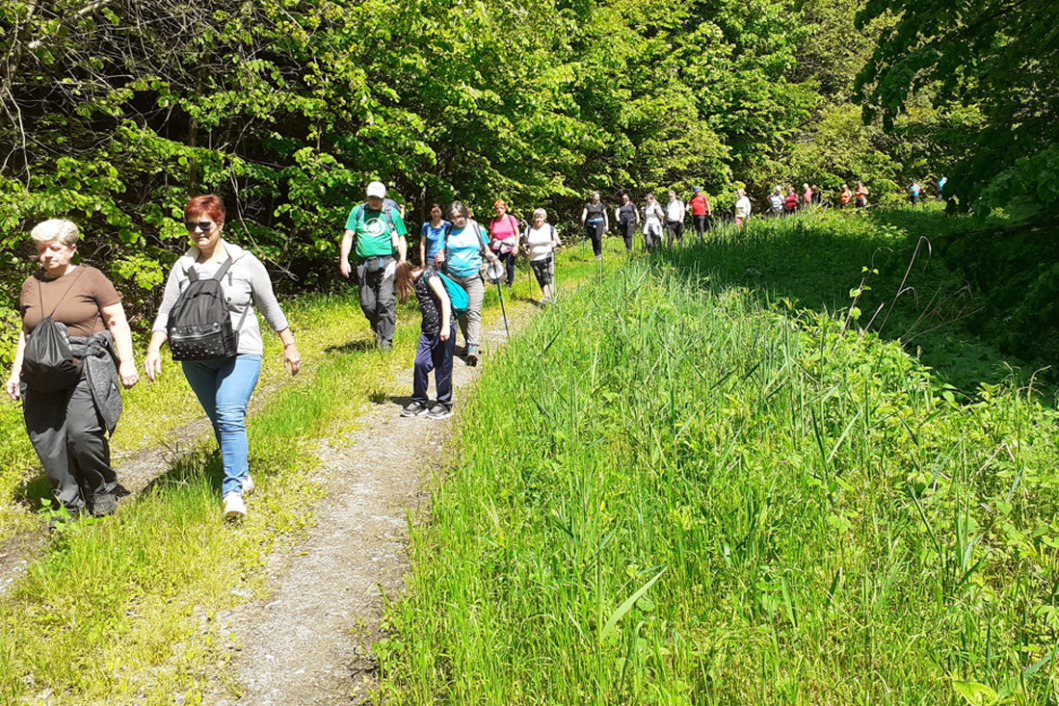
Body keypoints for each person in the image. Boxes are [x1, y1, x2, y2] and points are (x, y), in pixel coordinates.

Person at [144, 195, 301, 519]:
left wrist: (288, 343)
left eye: (204, 224)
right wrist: (153, 348)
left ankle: (232, 492)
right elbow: (166, 312)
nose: (198, 231)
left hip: (241, 351)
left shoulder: (245, 262)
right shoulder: (183, 267)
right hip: (195, 355)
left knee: (230, 412)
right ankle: (241, 472)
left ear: (220, 223)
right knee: (220, 419)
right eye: (191, 226)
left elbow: (268, 305)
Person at [5, 219, 138, 526]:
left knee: (81, 433)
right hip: (39, 373)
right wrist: (15, 374)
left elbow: (117, 321)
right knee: (47, 439)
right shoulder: (31, 285)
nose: (47, 255)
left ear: (72, 248)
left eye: (54, 248)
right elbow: (27, 336)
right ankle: (68, 499)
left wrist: (127, 361)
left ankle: (102, 487)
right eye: (41, 250)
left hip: (85, 365)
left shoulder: (91, 278)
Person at [339, 181, 409, 350]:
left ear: (383, 197)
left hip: (388, 263)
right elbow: (349, 235)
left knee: (385, 301)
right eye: (371, 197)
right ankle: (380, 329)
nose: (374, 201)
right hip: (364, 264)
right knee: (368, 305)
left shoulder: (392, 214)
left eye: (377, 198)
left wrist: (402, 259)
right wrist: (344, 259)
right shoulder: (358, 212)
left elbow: (401, 239)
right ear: (367, 196)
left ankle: (386, 344)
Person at [436, 201, 498, 367]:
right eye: (454, 217)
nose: (458, 220)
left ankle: (472, 347)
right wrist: (440, 256)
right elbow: (441, 249)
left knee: (473, 311)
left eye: (460, 216)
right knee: (460, 311)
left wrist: (492, 257)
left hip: (474, 276)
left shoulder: (477, 228)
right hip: (453, 277)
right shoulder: (448, 230)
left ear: (466, 214)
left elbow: (485, 248)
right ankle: (467, 341)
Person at [395, 262, 455, 420]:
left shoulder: (430, 276)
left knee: (443, 366)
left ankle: (444, 403)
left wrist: (445, 327)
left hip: (443, 328)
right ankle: (419, 401)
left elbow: (445, 300)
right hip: (427, 330)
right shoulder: (417, 281)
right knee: (420, 363)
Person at [523, 208, 562, 303]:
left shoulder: (550, 228)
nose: (538, 219)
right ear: (533, 218)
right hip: (533, 258)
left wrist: (555, 243)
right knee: (540, 279)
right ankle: (549, 297)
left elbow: (558, 241)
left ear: (544, 218)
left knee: (547, 277)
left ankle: (549, 298)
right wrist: (525, 249)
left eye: (541, 217)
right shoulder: (528, 230)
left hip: (547, 257)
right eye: (536, 217)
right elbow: (524, 243)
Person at [488, 200, 520, 289]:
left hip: (510, 245)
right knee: (497, 264)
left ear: (505, 209)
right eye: (497, 208)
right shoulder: (494, 221)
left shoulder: (511, 218)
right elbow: (492, 234)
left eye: (501, 208)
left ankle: (509, 284)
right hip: (497, 246)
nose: (499, 210)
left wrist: (516, 246)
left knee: (509, 265)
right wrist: (490, 249)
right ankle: (498, 283)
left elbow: (517, 232)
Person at [419, 203, 449, 270]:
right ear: (430, 213)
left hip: (444, 258)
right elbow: (422, 244)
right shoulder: (426, 226)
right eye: (433, 212)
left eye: (438, 212)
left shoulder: (447, 226)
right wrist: (423, 262)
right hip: (431, 259)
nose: (436, 214)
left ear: (441, 212)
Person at [580, 192, 608, 260]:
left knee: (598, 238)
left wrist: (606, 225)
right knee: (593, 239)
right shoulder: (588, 205)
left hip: (599, 223)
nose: (597, 199)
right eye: (596, 197)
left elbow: (605, 215)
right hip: (590, 223)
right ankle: (596, 254)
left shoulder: (601, 205)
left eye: (598, 197)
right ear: (592, 197)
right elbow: (585, 213)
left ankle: (599, 254)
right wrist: (583, 217)